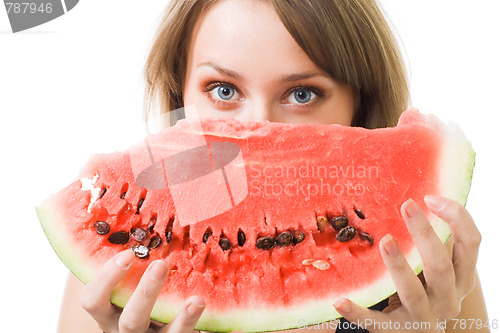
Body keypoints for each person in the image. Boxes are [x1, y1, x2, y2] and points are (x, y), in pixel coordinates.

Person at [57, 0, 489, 332]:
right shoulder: (126, 257)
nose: (258, 129)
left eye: (302, 94)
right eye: (224, 90)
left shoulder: (428, 272)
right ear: (181, 95)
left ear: (361, 103)